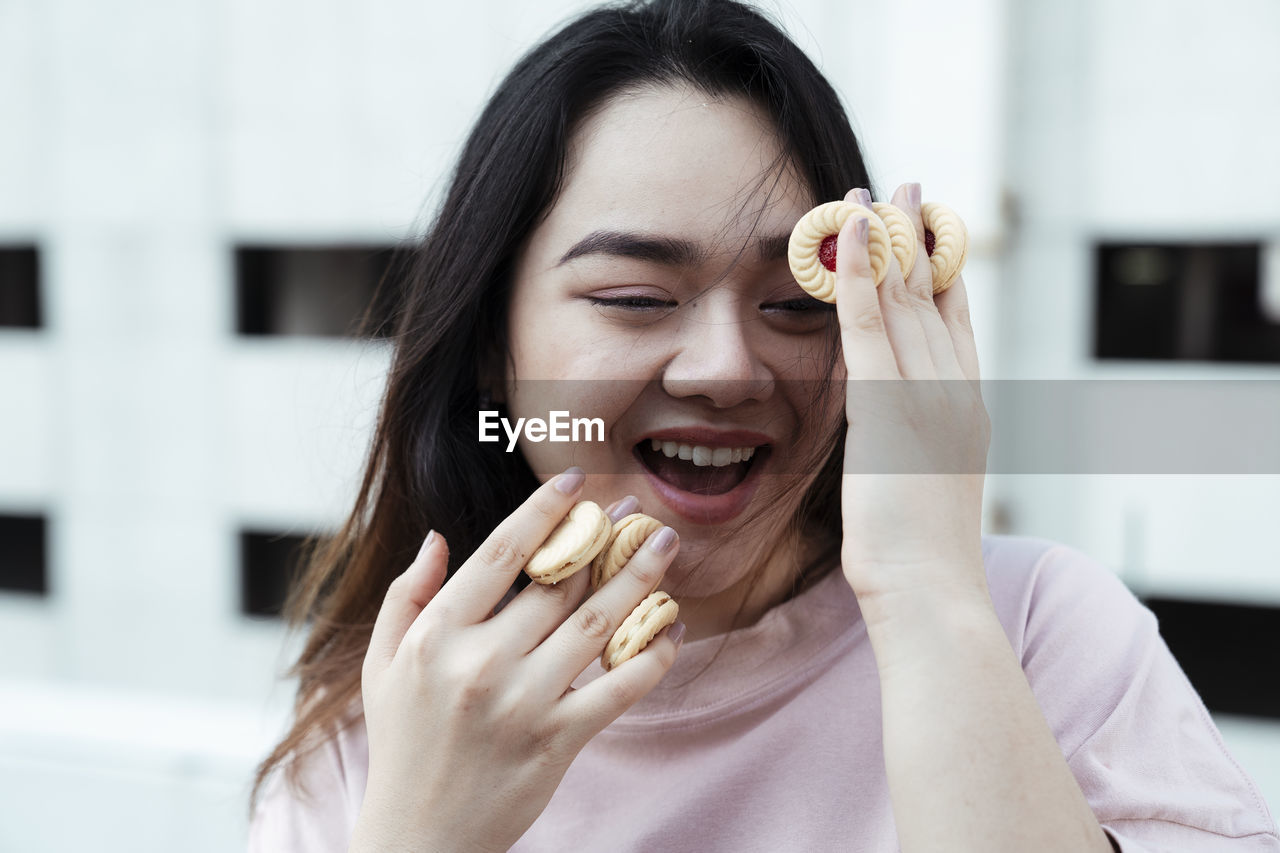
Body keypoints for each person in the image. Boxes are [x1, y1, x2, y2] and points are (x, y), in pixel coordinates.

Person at [246, 1, 1280, 850]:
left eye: (792, 306)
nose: (726, 369)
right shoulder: (378, 735)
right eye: (636, 298)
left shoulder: (1038, 632)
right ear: (489, 350)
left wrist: (925, 594)